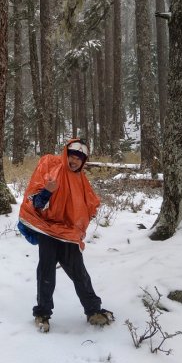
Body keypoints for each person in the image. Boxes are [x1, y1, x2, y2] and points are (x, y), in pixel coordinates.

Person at [18, 138, 114, 333]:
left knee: (79, 271)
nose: (75, 161)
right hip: (48, 228)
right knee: (46, 271)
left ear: (84, 161)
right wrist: (47, 191)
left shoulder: (80, 180)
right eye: (72, 156)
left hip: (68, 234)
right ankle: (42, 313)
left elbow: (87, 203)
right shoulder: (52, 169)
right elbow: (35, 203)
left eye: (80, 158)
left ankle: (93, 310)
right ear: (66, 154)